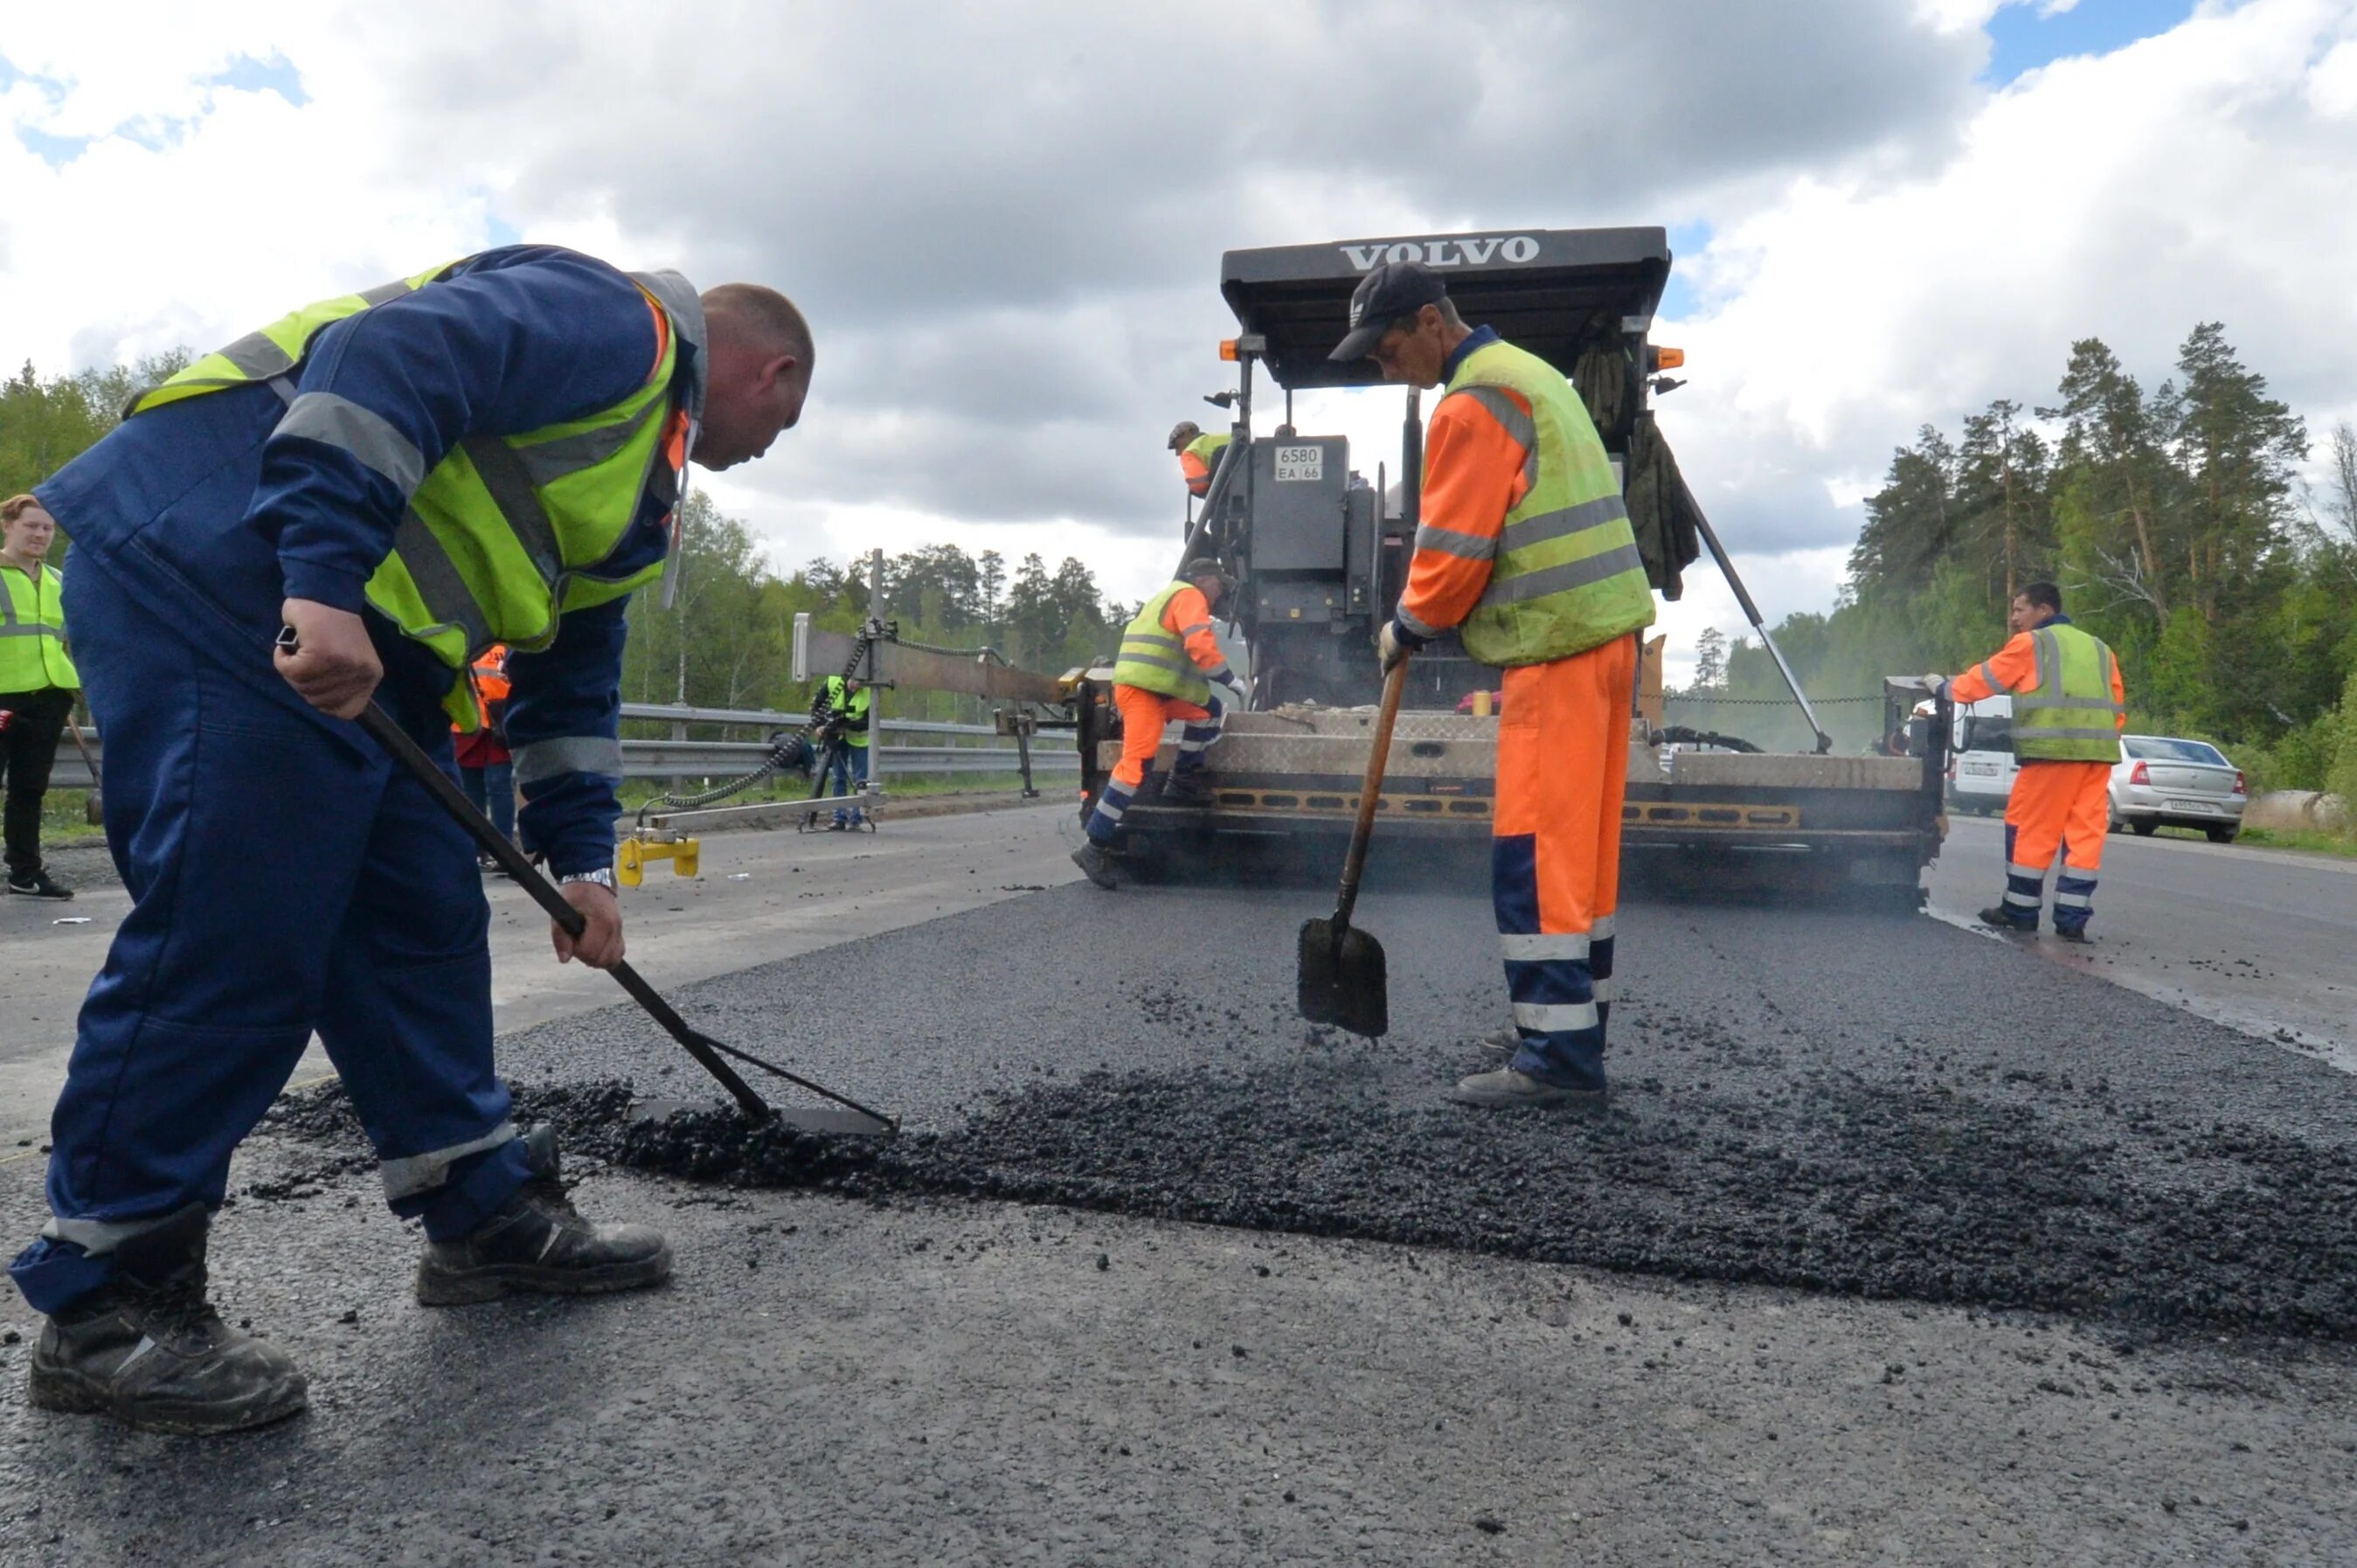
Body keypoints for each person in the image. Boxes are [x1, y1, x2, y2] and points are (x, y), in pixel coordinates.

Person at [13, 246, 813, 1436]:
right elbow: (384, 356)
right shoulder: (620, 322)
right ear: (771, 370)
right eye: (779, 424)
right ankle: (108, 1299)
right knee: (240, 923)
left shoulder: (639, 490)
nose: (762, 450)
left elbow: (570, 691)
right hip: (222, 563)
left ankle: (482, 1213)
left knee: (420, 917)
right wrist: (324, 577)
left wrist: (583, 871)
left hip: (374, 650)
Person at [1334, 260, 1656, 1110]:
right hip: (1602, 640)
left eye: (1387, 346)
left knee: (1535, 859)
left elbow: (1451, 550)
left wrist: (1405, 624)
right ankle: (1565, 1030)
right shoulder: (1531, 374)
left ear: (1433, 324)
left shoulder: (1474, 400)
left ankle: (1556, 1064)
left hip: (1556, 647)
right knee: (1578, 860)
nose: (1380, 365)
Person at [1926, 581, 2124, 941]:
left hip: (2052, 756)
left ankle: (2020, 911)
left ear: (2044, 610)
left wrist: (1942, 688)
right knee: (2084, 838)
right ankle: (2072, 921)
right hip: (2097, 758)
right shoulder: (2100, 649)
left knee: (2029, 830)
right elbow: (2117, 705)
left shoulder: (2032, 644)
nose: (2014, 618)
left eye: (2020, 609)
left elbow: (1982, 682)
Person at [1071, 558, 1245, 888]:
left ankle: (1181, 779)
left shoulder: (1166, 597)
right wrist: (1230, 679)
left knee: (1209, 711)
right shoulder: (1189, 595)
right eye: (1218, 584)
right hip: (1143, 692)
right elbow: (1198, 644)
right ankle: (1094, 846)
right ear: (1205, 580)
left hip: (1157, 690)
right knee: (1135, 766)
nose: (1219, 592)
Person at [1, 496, 81, 898]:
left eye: (47, 528)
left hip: (48, 698)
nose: (40, 534)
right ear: (7, 526)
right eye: (31, 526)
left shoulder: (57, 579)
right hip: (2, 699)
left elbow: (64, 639)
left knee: (29, 790)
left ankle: (25, 874)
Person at [455, 643, 516, 869]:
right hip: (466, 724)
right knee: (470, 792)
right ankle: (474, 850)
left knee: (498, 785)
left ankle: (503, 851)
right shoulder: (467, 642)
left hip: (499, 726)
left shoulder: (508, 645)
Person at [818, 672, 870, 829]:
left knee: (860, 780)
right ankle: (839, 817)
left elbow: (869, 720)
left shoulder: (870, 691)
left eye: (861, 684)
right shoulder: (832, 683)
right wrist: (821, 726)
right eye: (855, 683)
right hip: (837, 739)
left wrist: (846, 726)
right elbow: (817, 705)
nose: (857, 688)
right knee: (838, 777)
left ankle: (856, 819)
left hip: (859, 740)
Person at [1169, 420, 1230, 499]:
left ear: (1187, 433)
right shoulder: (1227, 437)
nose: (1177, 453)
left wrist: (1193, 489)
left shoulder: (1190, 452)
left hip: (1229, 499)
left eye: (1177, 446)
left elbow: (1199, 485)